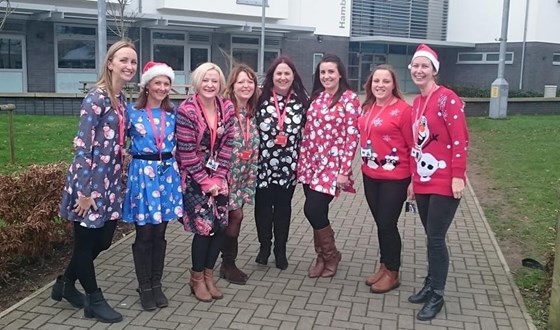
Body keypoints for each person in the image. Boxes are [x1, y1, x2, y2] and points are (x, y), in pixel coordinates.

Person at [52, 40, 137, 323]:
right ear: (110, 63)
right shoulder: (96, 99)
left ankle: (65, 283)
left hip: (111, 183)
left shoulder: (122, 100)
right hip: (89, 184)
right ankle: (94, 299)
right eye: (123, 60)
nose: (129, 66)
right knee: (85, 244)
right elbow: (82, 147)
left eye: (133, 62)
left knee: (102, 241)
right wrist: (85, 192)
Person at [407, 44, 469, 321]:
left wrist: (457, 175)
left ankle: (438, 294)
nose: (419, 70)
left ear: (434, 71)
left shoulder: (447, 98)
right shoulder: (417, 102)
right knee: (430, 237)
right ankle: (430, 284)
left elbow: (460, 139)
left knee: (435, 238)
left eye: (425, 66)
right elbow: (416, 146)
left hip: (444, 181)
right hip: (422, 179)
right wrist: (412, 179)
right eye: (416, 66)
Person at [123, 61, 183, 311]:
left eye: (166, 83)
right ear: (147, 85)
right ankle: (144, 285)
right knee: (145, 233)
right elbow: (116, 142)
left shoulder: (173, 113)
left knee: (160, 233)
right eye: (157, 82)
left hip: (166, 175)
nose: (161, 87)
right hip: (142, 176)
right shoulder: (131, 112)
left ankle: (156, 283)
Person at [297, 54, 361, 278]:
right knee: (318, 211)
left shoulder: (350, 99)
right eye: (322, 72)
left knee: (312, 209)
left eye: (330, 72)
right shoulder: (317, 97)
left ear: (340, 73)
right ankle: (322, 257)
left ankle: (331, 255)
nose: (326, 76)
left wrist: (345, 170)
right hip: (311, 163)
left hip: (332, 166)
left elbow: (352, 137)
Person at [175, 62, 234, 302]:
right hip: (194, 179)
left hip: (220, 176)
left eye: (215, 81)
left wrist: (219, 177)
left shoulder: (226, 107)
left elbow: (228, 144)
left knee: (221, 226)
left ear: (220, 84)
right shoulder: (186, 110)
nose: (210, 85)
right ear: (197, 83)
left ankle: (210, 275)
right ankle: (197, 278)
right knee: (204, 228)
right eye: (205, 80)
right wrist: (205, 181)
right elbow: (187, 152)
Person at [358, 64, 413, 293]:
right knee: (381, 224)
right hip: (370, 175)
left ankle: (393, 272)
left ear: (393, 85)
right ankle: (384, 266)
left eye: (385, 81)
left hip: (396, 177)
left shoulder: (403, 110)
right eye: (376, 81)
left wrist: (414, 181)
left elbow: (413, 146)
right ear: (370, 84)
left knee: (387, 224)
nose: (380, 85)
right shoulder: (367, 107)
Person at [254, 55, 309, 270]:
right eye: (279, 73)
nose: (283, 77)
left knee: (283, 208)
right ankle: (264, 247)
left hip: (288, 166)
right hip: (263, 165)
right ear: (272, 76)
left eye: (287, 73)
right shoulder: (260, 98)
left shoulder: (301, 101)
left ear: (293, 75)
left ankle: (280, 250)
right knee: (263, 208)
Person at [220, 64, 260, 284]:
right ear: (232, 85)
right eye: (241, 81)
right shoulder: (225, 110)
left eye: (250, 81)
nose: (246, 86)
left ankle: (227, 262)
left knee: (233, 217)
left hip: (243, 177)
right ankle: (226, 263)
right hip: (224, 177)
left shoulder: (251, 113)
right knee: (230, 218)